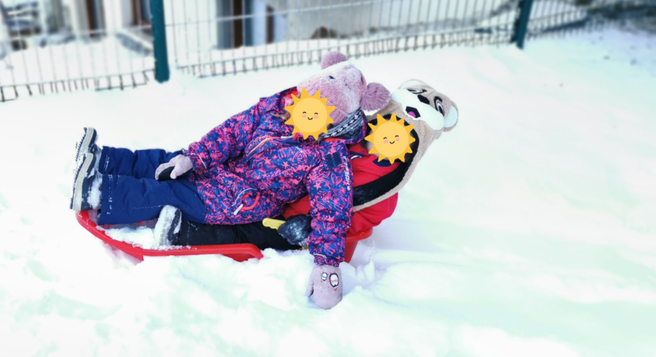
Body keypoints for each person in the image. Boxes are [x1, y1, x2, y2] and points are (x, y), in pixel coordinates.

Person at [71, 52, 390, 309]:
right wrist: (194, 157)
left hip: (240, 199)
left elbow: (331, 211)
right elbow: (234, 130)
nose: (308, 108)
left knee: (167, 192)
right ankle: (103, 160)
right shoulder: (280, 106)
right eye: (310, 98)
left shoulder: (329, 156)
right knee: (165, 159)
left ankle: (100, 191)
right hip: (225, 166)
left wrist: (327, 264)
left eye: (323, 107)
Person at [154, 79, 459, 266]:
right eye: (388, 123)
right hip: (276, 190)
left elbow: (348, 218)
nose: (389, 137)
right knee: (230, 191)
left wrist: (309, 227)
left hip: (291, 220)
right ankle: (176, 190)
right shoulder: (350, 141)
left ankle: (186, 233)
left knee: (253, 231)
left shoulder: (384, 194)